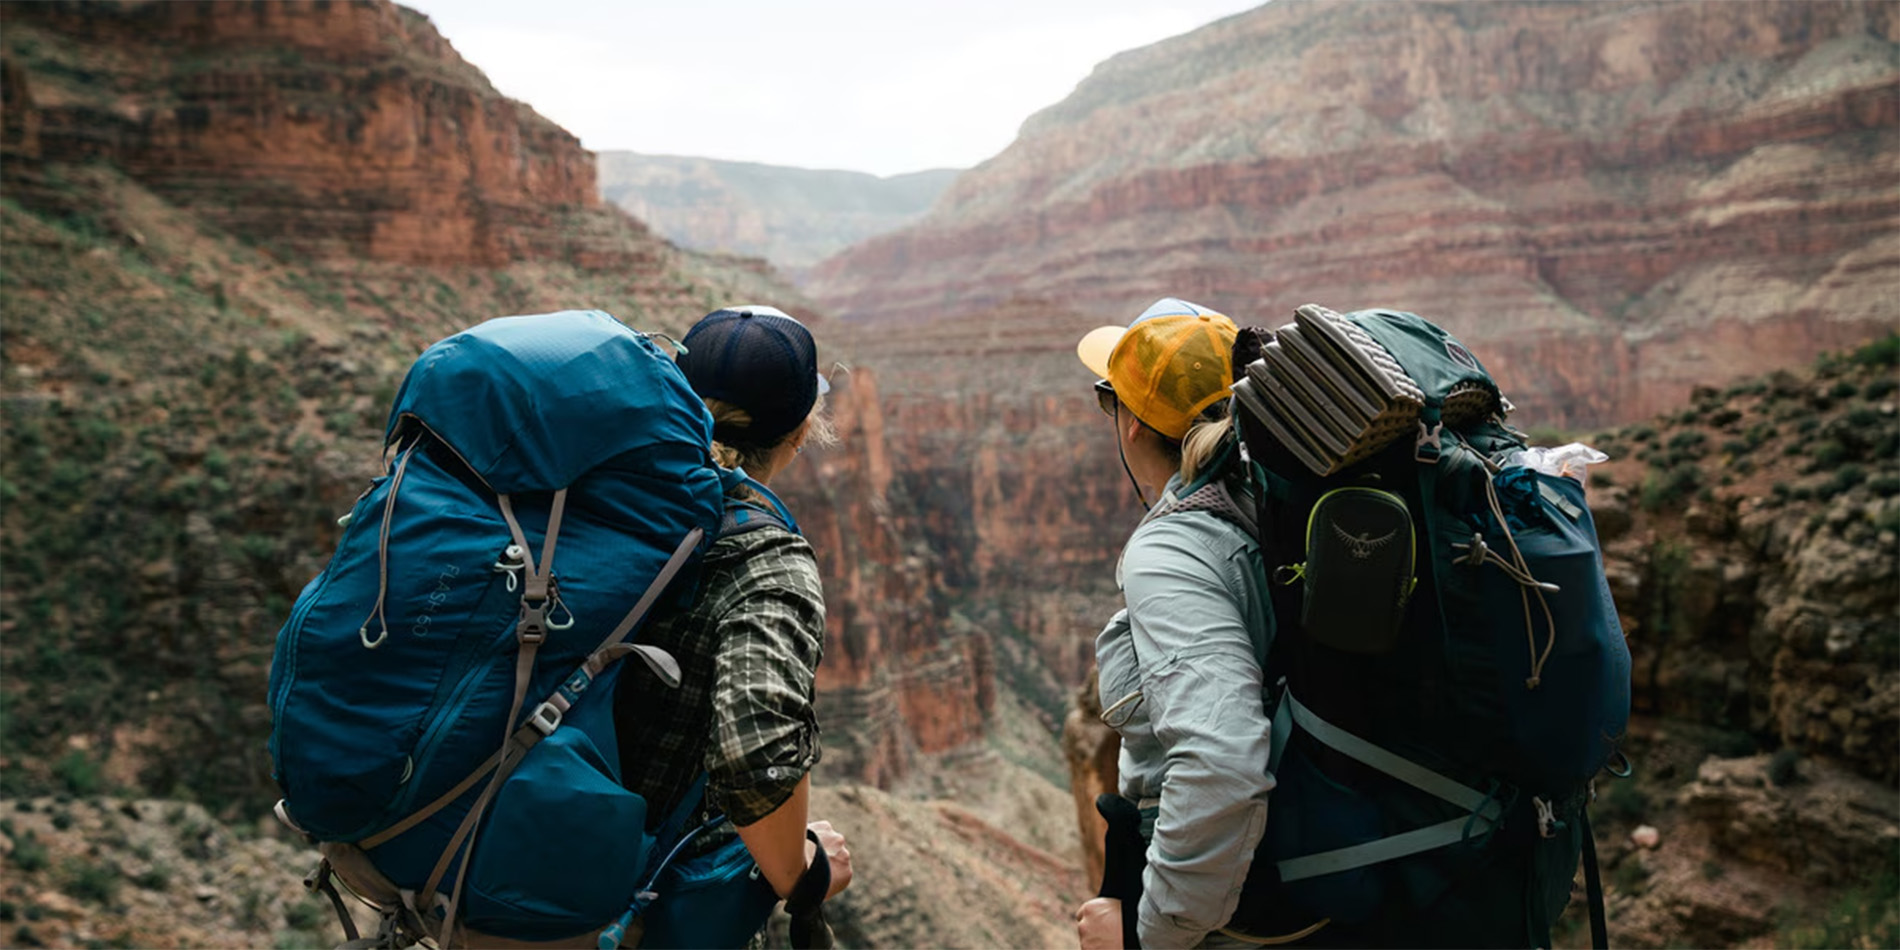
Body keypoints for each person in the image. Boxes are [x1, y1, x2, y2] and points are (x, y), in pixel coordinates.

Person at [614, 304, 853, 947]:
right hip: (625, 906)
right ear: (801, 432)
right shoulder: (766, 562)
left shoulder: (603, 499)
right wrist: (802, 872)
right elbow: (755, 752)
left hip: (501, 868)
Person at [1071, 298, 1273, 950]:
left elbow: (1221, 762)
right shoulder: (1263, 496)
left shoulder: (1172, 551)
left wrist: (1146, 935)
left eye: (1112, 399)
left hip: (1243, 914)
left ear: (1131, 423)